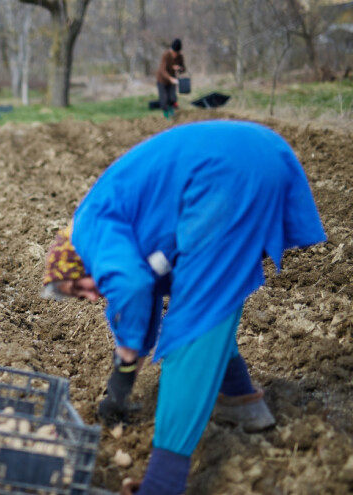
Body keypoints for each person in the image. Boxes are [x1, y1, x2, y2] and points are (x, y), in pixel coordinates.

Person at [42, 121, 326, 494]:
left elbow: (132, 284)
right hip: (256, 154)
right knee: (212, 301)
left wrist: (125, 357)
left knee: (191, 326)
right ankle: (242, 402)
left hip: (224, 175)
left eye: (80, 287)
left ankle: (162, 483)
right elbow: (145, 291)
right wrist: (124, 376)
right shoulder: (107, 219)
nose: (92, 297)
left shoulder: (88, 230)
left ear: (74, 261)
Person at [156, 39, 186, 120]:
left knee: (172, 97)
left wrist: (179, 68)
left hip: (173, 80)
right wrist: (170, 78)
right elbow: (162, 70)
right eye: (173, 52)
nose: (175, 54)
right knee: (164, 98)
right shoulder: (166, 55)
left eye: (176, 53)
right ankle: (165, 112)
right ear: (171, 50)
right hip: (162, 79)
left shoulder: (180, 56)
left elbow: (184, 69)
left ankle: (171, 109)